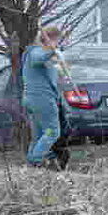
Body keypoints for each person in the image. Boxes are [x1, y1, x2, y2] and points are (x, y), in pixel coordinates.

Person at [21, 26, 69, 169]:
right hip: (41, 100)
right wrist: (51, 50)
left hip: (34, 101)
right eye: (58, 40)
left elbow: (52, 74)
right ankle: (35, 159)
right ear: (51, 39)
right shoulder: (35, 52)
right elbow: (39, 58)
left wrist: (61, 71)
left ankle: (31, 165)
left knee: (42, 134)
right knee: (53, 131)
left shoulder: (47, 58)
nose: (59, 44)